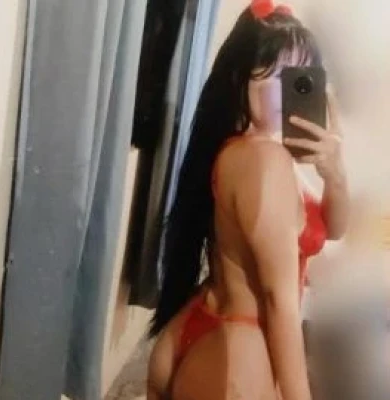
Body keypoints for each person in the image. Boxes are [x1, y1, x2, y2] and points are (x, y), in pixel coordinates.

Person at [147, 1, 349, 399]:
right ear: (239, 76)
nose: (287, 89)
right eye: (275, 72)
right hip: (240, 352)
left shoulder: (250, 148)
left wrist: (335, 173)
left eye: (298, 77)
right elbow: (278, 301)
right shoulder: (265, 160)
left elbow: (333, 229)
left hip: (211, 328)